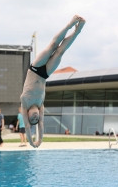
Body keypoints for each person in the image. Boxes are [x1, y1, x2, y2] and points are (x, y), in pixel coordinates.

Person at [20, 15, 86, 148]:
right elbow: (41, 125)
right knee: (60, 52)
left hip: (35, 69)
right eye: (36, 119)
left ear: (27, 114)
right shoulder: (40, 106)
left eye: (32, 118)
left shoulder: (25, 104)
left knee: (53, 46)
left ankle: (70, 24)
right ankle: (77, 31)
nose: (35, 117)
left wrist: (33, 142)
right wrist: (41, 140)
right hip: (45, 74)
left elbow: (27, 126)